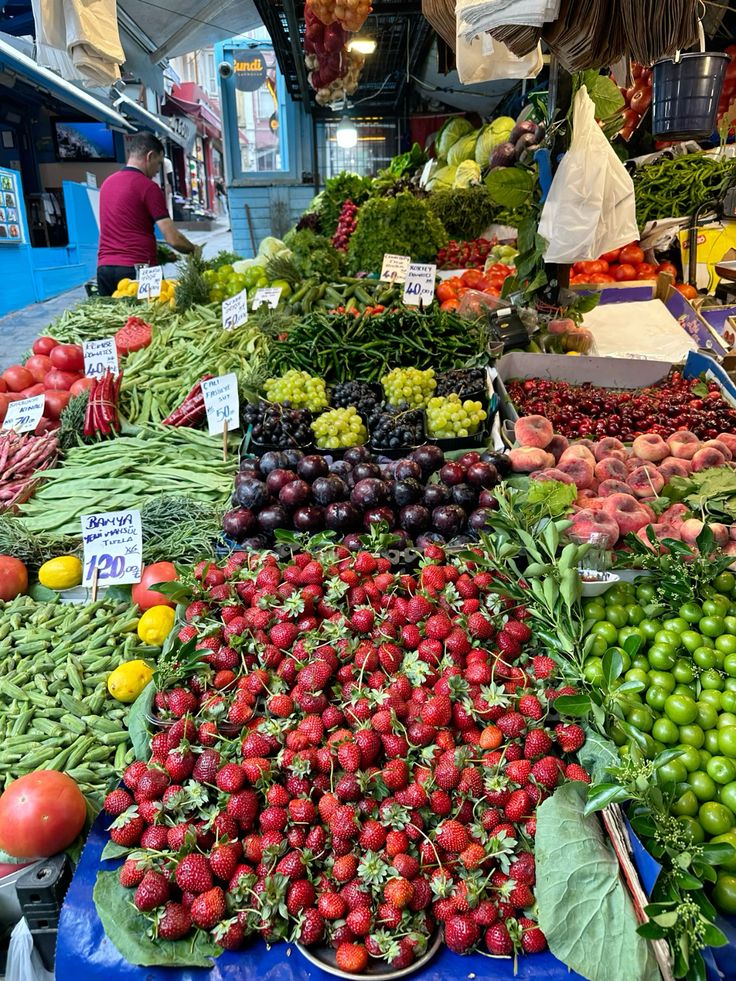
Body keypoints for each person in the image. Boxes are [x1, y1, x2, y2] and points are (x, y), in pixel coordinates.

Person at [96, 132, 197, 296]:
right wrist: (193, 249)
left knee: (112, 314)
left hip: (105, 270)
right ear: (150, 156)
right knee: (155, 311)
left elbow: (126, 228)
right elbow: (173, 239)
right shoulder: (149, 187)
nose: (157, 171)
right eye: (158, 163)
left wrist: (163, 255)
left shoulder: (107, 183)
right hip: (138, 270)